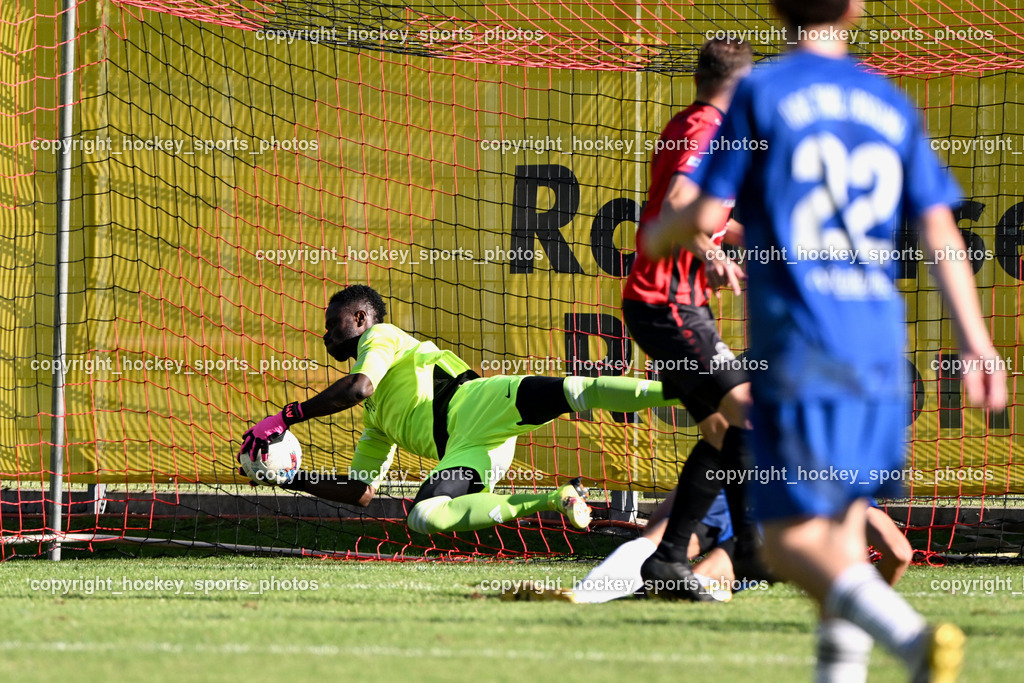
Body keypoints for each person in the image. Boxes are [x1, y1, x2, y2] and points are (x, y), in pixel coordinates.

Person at [644, 1, 1007, 680]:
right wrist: (977, 343)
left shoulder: (760, 94)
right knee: (840, 534)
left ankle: (908, 637)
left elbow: (702, 210)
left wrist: (664, 232)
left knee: (786, 546)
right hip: (879, 346)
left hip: (802, 343)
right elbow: (939, 231)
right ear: (856, 8)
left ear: (777, 7)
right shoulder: (888, 101)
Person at [238, 284, 682, 536]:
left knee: (578, 390)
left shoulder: (380, 336)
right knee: (423, 517)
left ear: (359, 319)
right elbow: (361, 492)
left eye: (332, 324)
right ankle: (555, 498)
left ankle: (684, 391)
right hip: (469, 451)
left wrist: (285, 417)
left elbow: (358, 386)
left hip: (481, 403)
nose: (326, 335)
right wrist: (289, 479)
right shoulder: (376, 417)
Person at [620, 36, 764, 601]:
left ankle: (670, 560)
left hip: (664, 303)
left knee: (722, 430)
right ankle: (749, 543)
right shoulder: (706, 129)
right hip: (666, 303)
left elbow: (705, 214)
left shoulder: (692, 122)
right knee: (748, 413)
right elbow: (677, 203)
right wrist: (710, 254)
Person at [572, 497, 913, 604]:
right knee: (704, 574)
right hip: (776, 533)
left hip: (731, 502)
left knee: (662, 544)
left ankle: (585, 593)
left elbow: (671, 508)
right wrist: (867, 604)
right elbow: (899, 552)